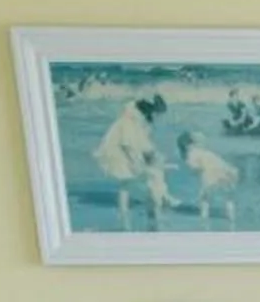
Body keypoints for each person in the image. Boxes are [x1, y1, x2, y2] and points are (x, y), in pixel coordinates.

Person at [93, 94, 169, 227]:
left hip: (127, 151)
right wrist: (135, 161)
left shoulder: (140, 120)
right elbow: (127, 144)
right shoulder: (129, 121)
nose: (159, 117)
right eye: (158, 113)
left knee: (137, 178)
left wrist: (150, 155)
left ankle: (156, 198)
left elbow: (142, 142)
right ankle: (125, 209)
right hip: (119, 152)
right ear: (150, 110)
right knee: (127, 182)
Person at [179, 129, 240, 226]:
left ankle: (204, 218)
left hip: (210, 174)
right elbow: (219, 162)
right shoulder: (206, 152)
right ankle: (231, 218)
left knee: (205, 198)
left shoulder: (192, 153)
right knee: (228, 198)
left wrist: (193, 171)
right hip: (227, 172)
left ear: (187, 146)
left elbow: (195, 167)